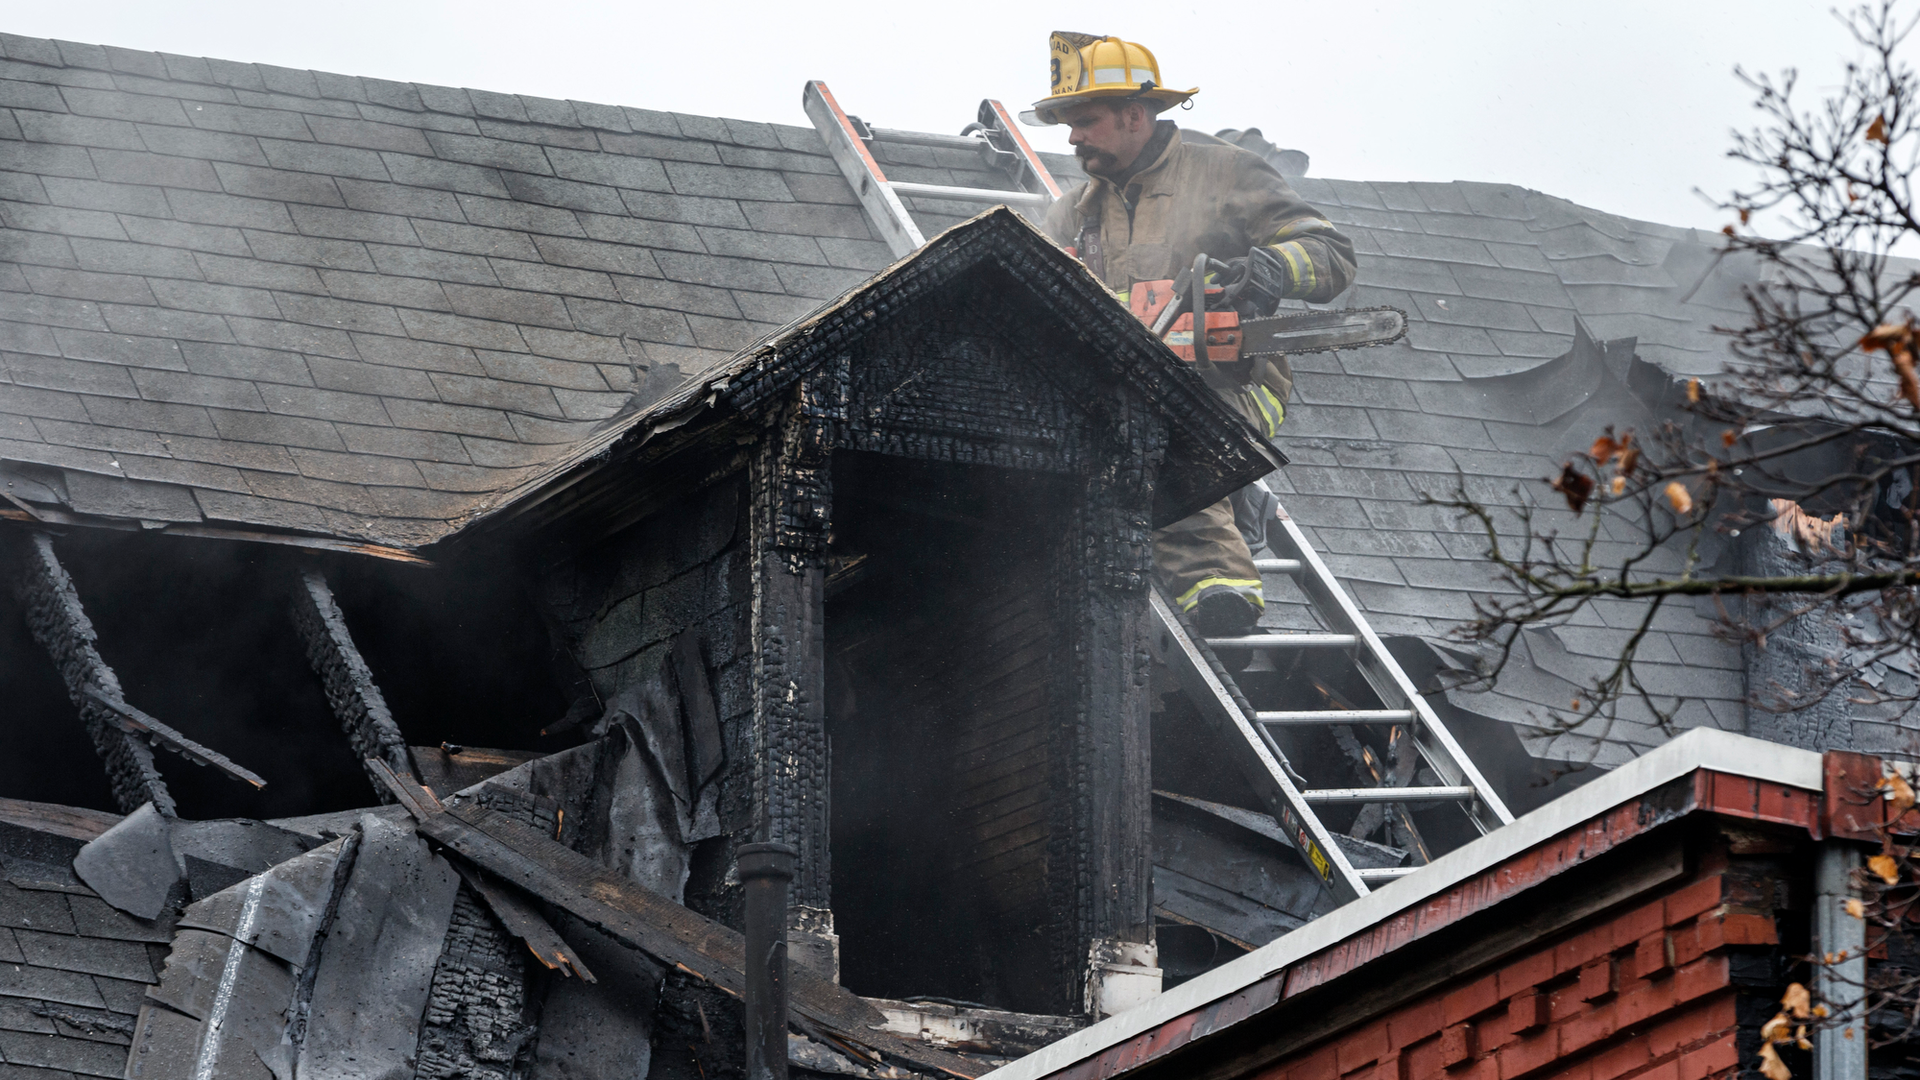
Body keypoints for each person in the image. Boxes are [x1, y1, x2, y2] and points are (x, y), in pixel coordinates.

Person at [1025, 32, 1358, 637]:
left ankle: (1222, 597)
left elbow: (1332, 253)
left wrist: (1274, 267)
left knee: (1158, 434)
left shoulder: (1223, 174)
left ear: (1135, 114)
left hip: (1233, 382)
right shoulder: (1074, 216)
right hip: (1116, 394)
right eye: (1066, 124)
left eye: (1085, 121)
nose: (1072, 137)